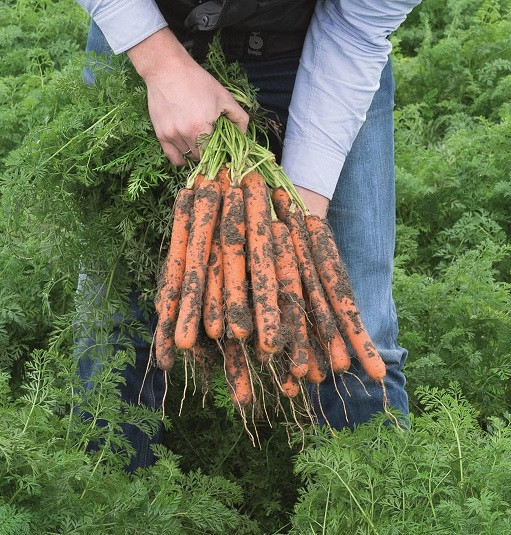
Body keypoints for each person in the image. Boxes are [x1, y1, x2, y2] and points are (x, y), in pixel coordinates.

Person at [75, 0, 421, 470]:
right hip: (146, 27)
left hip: (316, 50)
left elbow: (357, 25)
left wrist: (297, 226)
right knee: (115, 326)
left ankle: (373, 499)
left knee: (355, 331)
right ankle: (107, 500)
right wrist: (161, 64)